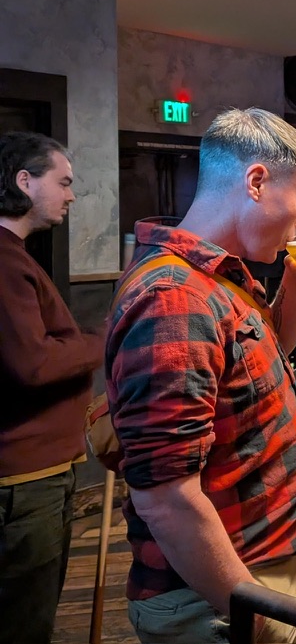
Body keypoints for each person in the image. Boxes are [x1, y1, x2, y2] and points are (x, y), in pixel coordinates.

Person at [105, 108, 296, 643]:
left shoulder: (219, 273)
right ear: (257, 181)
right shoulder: (175, 297)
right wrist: (255, 613)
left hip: (273, 558)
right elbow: (166, 498)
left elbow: (271, 355)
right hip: (224, 591)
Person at [0, 132, 104, 644]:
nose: (70, 195)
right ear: (25, 181)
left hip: (34, 472)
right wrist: (104, 340)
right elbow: (34, 363)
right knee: (24, 622)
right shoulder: (4, 259)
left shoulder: (15, 254)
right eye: (62, 182)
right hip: (23, 480)